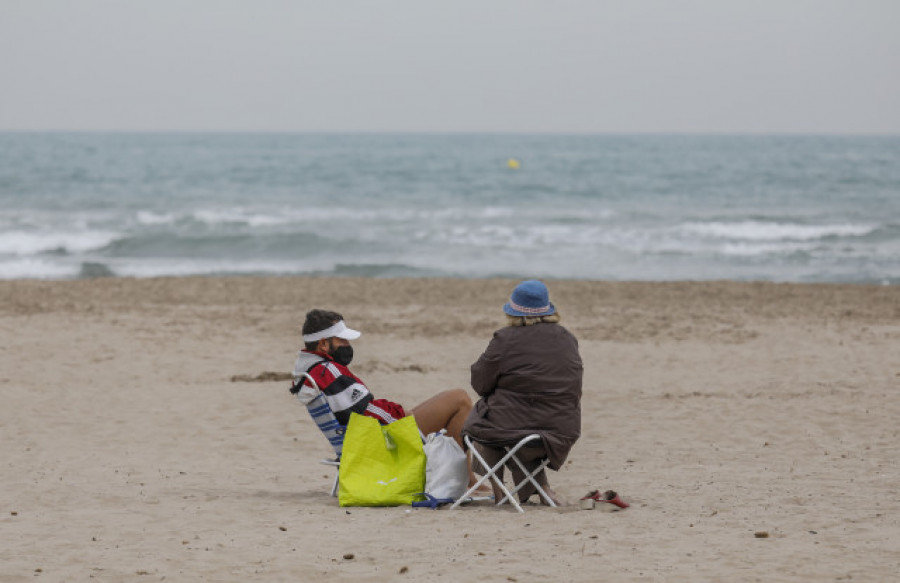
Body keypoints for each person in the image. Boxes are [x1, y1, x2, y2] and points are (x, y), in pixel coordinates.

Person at [290, 308, 481, 485]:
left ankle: (454, 478)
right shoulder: (329, 372)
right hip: (380, 445)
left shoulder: (310, 371)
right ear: (323, 344)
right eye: (342, 340)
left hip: (360, 443)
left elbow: (356, 411)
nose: (347, 345)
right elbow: (363, 413)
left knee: (446, 401)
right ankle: (466, 482)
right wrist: (401, 416)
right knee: (459, 399)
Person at [462, 279, 583, 505]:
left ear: (514, 312)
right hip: (561, 430)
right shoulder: (567, 338)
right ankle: (541, 488)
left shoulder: (505, 339)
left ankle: (500, 492)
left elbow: (480, 383)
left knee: (482, 422)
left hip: (517, 430)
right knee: (522, 419)